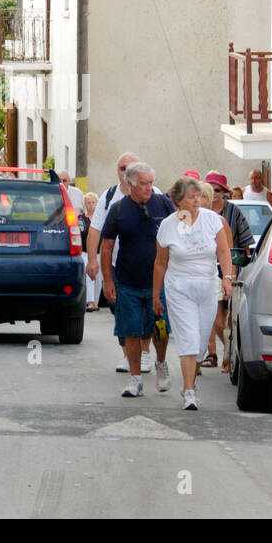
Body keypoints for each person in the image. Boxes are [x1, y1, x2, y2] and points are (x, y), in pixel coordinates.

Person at [154, 176, 235, 410]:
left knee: (200, 342)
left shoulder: (213, 221)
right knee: (188, 338)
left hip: (207, 286)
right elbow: (160, 263)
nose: (197, 200)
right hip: (179, 287)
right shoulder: (168, 226)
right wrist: (155, 295)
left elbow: (223, 253)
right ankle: (189, 391)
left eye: (198, 195)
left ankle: (191, 376)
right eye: (191, 197)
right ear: (178, 202)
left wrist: (227, 279)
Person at [87, 152, 166, 375]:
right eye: (122, 168)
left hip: (152, 267)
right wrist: (92, 259)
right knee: (121, 311)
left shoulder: (157, 197)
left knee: (148, 313)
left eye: (130, 168)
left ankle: (145, 353)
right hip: (118, 265)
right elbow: (97, 230)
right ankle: (129, 355)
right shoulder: (110, 198)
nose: (125, 172)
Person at [100, 162, 174, 397]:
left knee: (160, 329)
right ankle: (135, 379)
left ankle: (161, 363)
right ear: (130, 184)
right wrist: (107, 281)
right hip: (128, 282)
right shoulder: (119, 210)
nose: (149, 188)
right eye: (144, 184)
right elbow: (108, 246)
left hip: (158, 283)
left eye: (151, 183)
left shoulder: (163, 204)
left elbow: (179, 234)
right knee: (130, 331)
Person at [204, 171, 255, 372]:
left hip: (231, 271)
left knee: (230, 318)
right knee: (215, 321)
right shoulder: (200, 212)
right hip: (208, 272)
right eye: (210, 189)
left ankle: (229, 355)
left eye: (217, 190)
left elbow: (246, 244)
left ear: (224, 192)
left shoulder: (233, 213)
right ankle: (222, 353)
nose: (213, 193)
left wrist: (236, 272)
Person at [82, 192, 100, 310]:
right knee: (89, 276)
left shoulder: (101, 218)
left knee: (98, 278)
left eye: (93, 202)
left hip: (99, 251)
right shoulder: (81, 219)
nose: (91, 205)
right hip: (84, 251)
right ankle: (90, 301)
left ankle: (96, 301)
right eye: (89, 203)